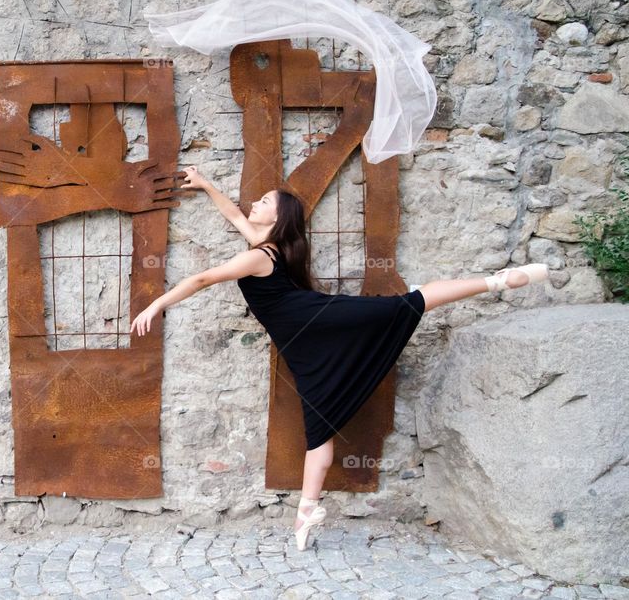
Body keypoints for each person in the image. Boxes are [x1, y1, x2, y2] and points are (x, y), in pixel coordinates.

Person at [129, 165, 550, 551]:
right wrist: (206, 186)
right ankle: (307, 512)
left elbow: (203, 277)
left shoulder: (259, 255)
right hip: (306, 342)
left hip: (317, 323)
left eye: (263, 202)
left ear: (276, 219)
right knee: (319, 426)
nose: (253, 204)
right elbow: (234, 217)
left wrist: (155, 305)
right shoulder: (266, 247)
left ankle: (494, 282)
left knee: (407, 304)